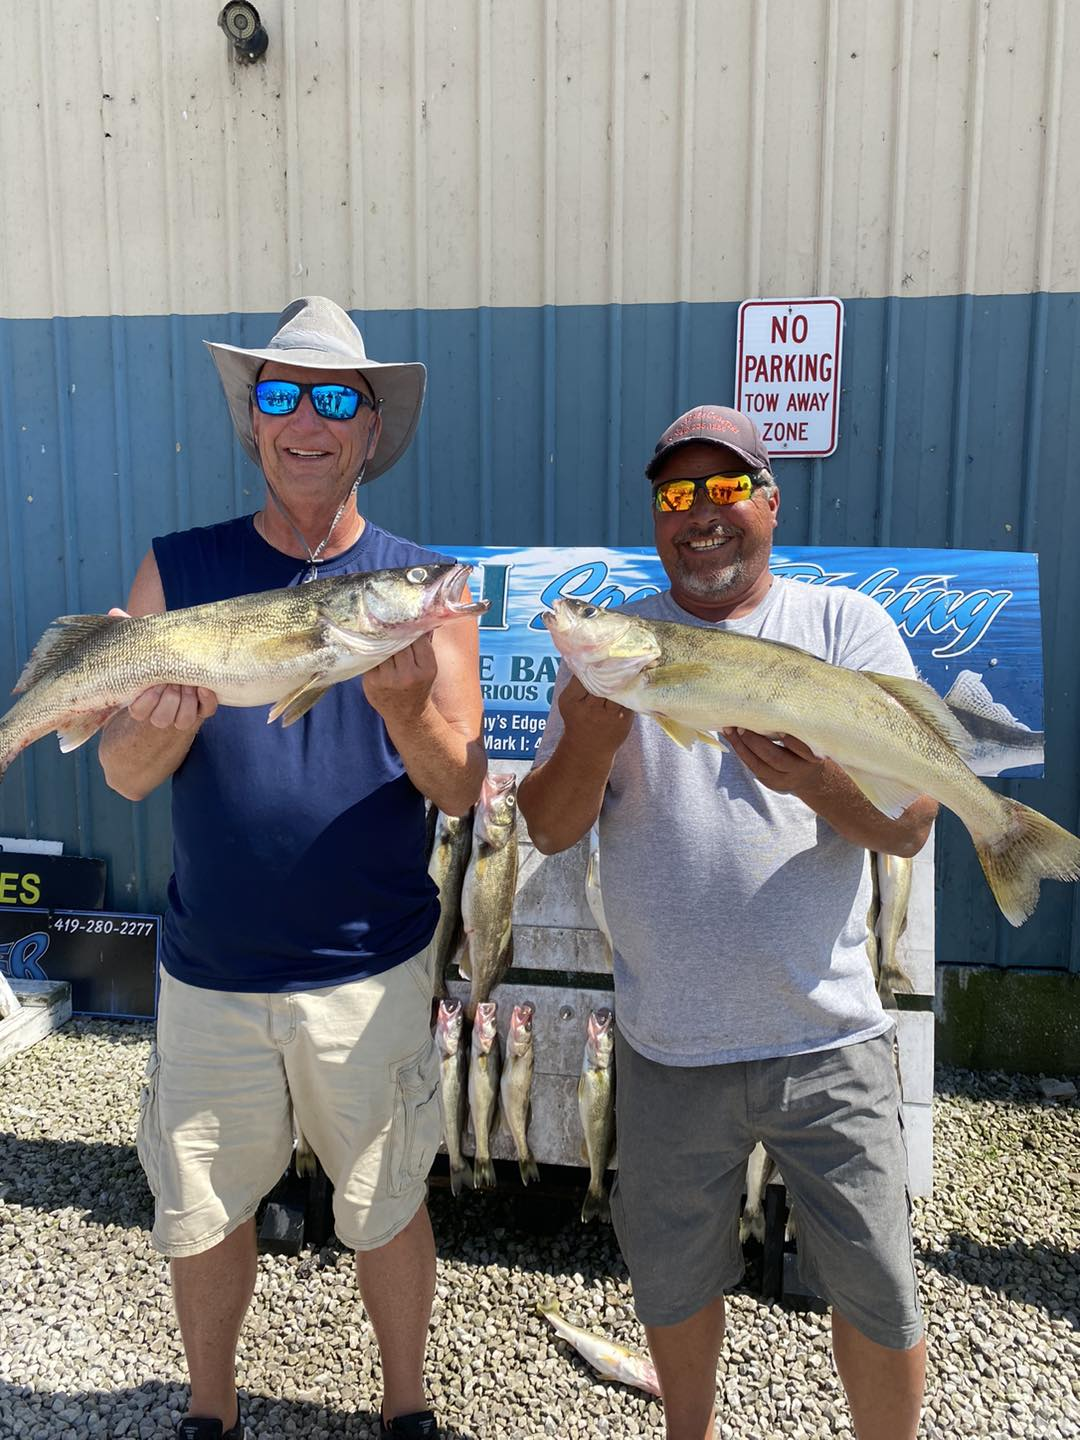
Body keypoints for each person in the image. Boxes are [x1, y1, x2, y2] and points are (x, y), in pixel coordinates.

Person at [100, 297, 486, 1440]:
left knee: (386, 1199)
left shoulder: (425, 589)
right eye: (280, 395)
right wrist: (156, 728)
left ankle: (406, 1406)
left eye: (333, 399)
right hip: (211, 969)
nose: (305, 420)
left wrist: (408, 710)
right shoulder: (179, 570)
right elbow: (122, 774)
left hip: (369, 969)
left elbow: (461, 786)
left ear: (371, 429)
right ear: (253, 423)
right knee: (204, 1204)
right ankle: (208, 1411)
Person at [518, 405, 935, 1440]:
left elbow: (910, 824)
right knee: (672, 1283)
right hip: (667, 1046)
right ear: (655, 518)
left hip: (830, 1038)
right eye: (676, 494)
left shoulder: (844, 629)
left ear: (770, 502)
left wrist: (819, 785)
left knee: (878, 1289)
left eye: (724, 487)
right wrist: (591, 736)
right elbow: (549, 828)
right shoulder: (614, 656)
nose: (700, 513)